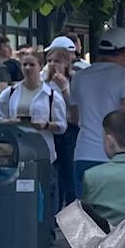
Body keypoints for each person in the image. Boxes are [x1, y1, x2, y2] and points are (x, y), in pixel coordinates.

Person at [69, 27, 125, 197]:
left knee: (84, 210)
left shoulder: (80, 77)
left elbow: (73, 116)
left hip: (84, 152)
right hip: (115, 155)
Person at [0, 49, 68, 163]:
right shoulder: (10, 93)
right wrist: (12, 122)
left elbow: (62, 126)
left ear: (40, 67)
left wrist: (45, 125)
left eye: (32, 65)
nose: (28, 68)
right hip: (16, 150)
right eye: (24, 65)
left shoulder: (51, 95)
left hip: (42, 151)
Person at [43, 37, 80, 209]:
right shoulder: (43, 81)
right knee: (53, 175)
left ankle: (71, 209)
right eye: (49, 61)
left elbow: (75, 107)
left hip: (69, 129)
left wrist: (64, 88)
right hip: (49, 128)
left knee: (68, 173)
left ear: (66, 63)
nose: (52, 64)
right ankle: (55, 209)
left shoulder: (73, 79)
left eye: (57, 61)